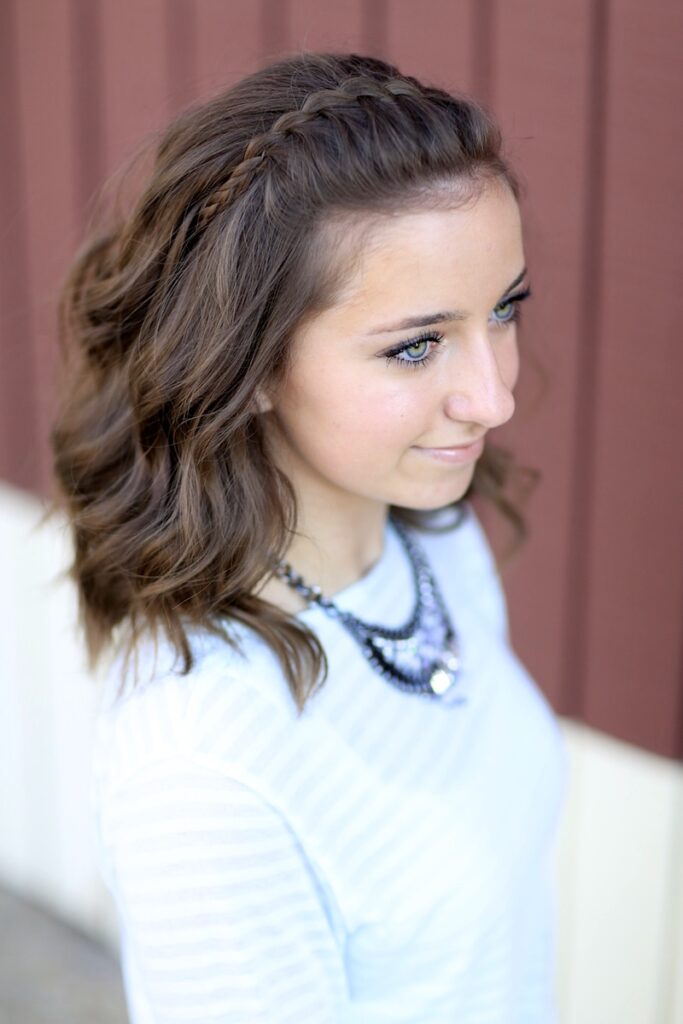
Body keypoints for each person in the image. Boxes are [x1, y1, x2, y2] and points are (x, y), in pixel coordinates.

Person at [51, 51, 569, 1024]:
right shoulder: (203, 770)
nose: (491, 395)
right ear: (246, 364)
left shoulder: (433, 535)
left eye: (501, 310)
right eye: (414, 345)